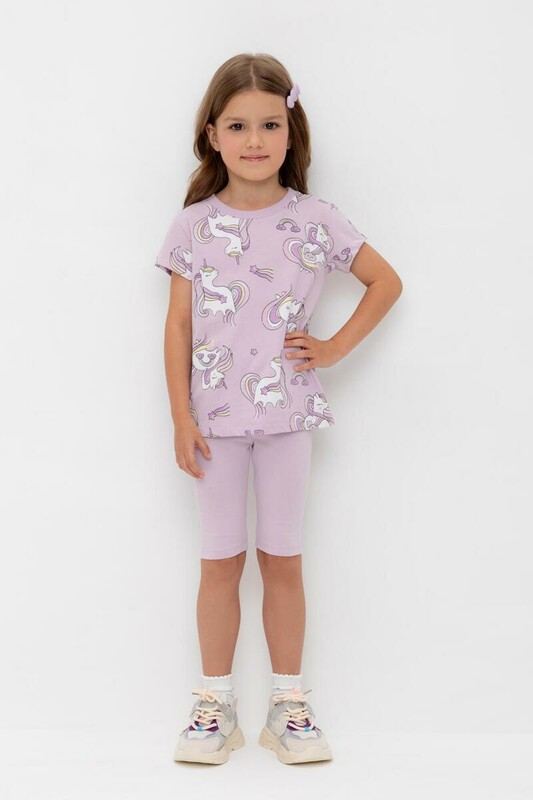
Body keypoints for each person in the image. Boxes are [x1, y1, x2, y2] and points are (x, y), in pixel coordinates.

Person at [154, 53, 403, 766]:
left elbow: (384, 282)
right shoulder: (193, 226)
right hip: (213, 425)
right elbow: (177, 326)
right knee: (219, 561)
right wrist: (180, 417)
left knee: (282, 558)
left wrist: (333, 348)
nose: (254, 140)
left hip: (288, 417)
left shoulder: (315, 219)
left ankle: (288, 705)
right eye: (237, 126)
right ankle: (215, 705)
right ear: (212, 134)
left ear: (291, 132)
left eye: (269, 124)